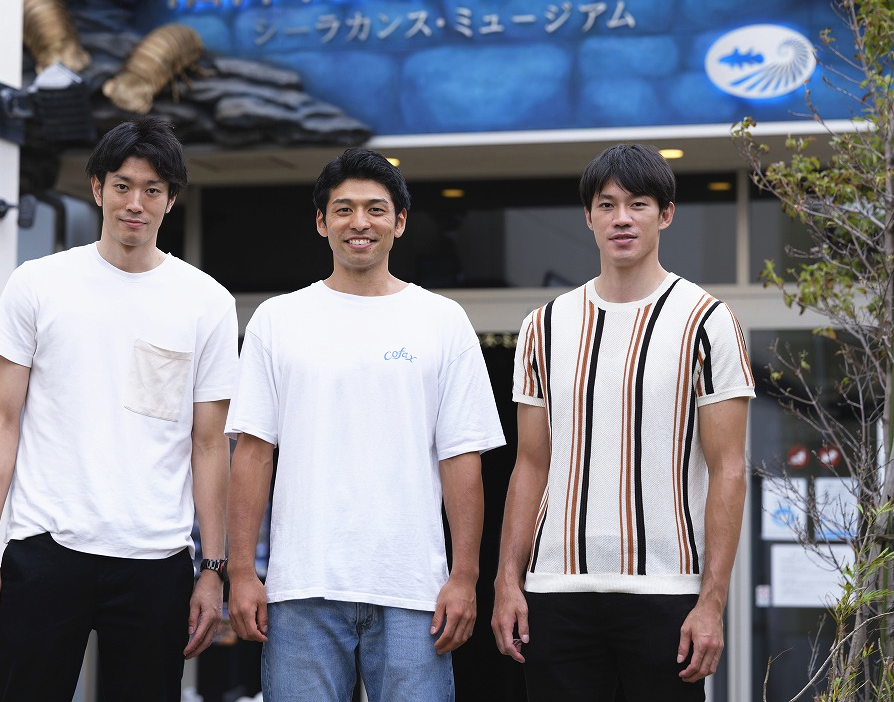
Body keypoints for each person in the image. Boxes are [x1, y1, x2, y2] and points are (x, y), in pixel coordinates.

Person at [0, 117, 237, 702]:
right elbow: (1, 421)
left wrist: (213, 570)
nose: (135, 203)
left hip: (155, 557)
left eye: (153, 190)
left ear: (171, 200)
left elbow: (209, 442)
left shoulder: (207, 302)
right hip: (45, 549)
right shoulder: (38, 284)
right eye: (122, 185)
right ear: (96, 187)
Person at [226, 148, 505, 702]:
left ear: (400, 223)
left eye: (376, 209)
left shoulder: (442, 321)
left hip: (413, 589)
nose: (360, 223)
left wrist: (465, 575)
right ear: (321, 222)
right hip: (300, 585)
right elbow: (253, 453)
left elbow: (462, 458)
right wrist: (240, 571)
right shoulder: (278, 320)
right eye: (344, 209)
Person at [492, 143, 754, 701]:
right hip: (556, 588)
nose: (622, 219)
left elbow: (729, 468)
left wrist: (712, 601)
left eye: (638, 204)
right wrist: (507, 582)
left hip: (666, 589)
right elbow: (531, 464)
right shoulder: (543, 326)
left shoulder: (707, 321)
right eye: (607, 205)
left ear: (666, 214)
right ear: (588, 217)